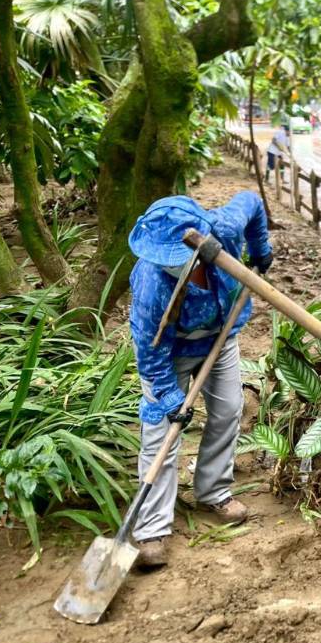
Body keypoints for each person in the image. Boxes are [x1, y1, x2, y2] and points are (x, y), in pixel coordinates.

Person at [127, 193, 273, 569]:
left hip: (220, 339)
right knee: (162, 429)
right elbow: (149, 350)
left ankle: (214, 491)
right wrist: (169, 397)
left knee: (227, 410)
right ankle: (152, 528)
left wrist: (260, 248)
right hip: (169, 353)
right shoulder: (150, 283)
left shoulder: (222, 229)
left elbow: (253, 202)